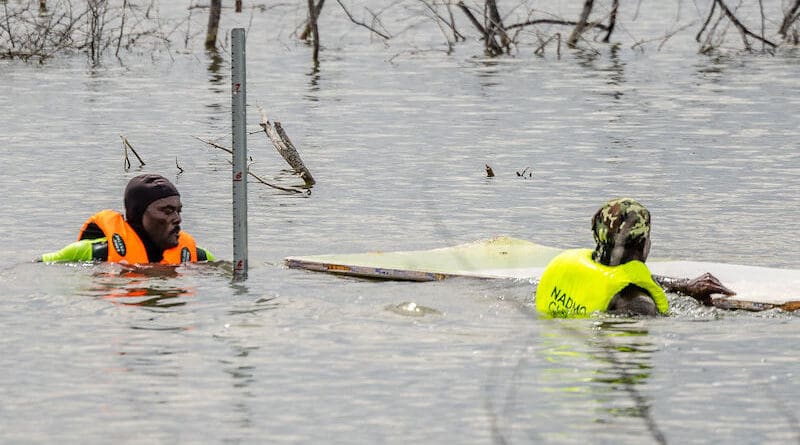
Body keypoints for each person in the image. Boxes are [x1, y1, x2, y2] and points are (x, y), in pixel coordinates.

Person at [536, 198, 734, 318]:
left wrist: (684, 286)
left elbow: (622, 278)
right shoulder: (640, 304)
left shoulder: (565, 265)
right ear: (643, 244)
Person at [38, 174, 214, 264]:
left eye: (178, 211)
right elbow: (37, 267)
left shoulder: (196, 256)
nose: (177, 219)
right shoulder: (96, 252)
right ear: (138, 214)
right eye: (167, 211)